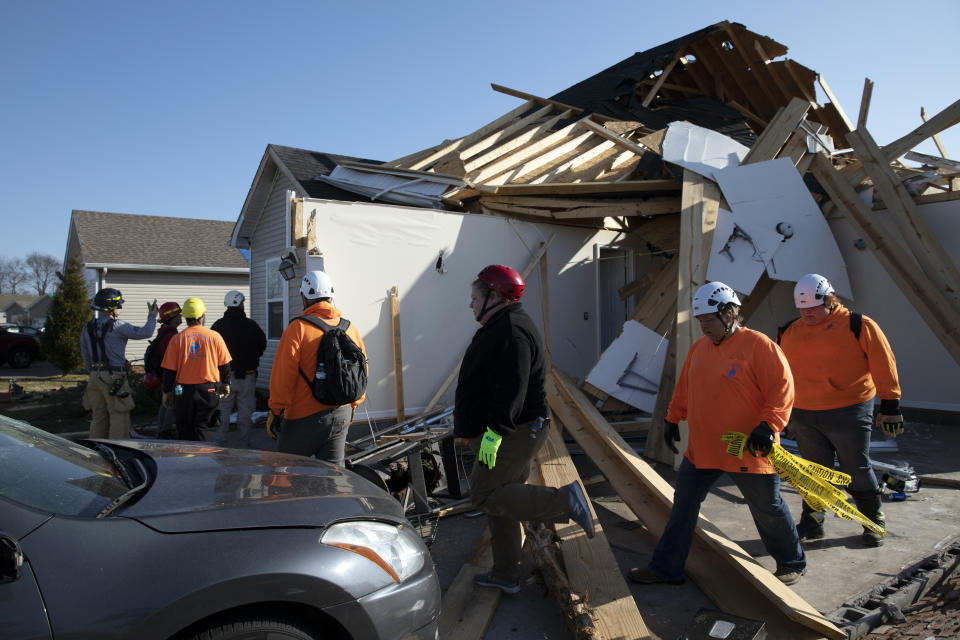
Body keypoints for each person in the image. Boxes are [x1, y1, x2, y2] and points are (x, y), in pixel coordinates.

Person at [628, 282, 806, 587]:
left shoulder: (759, 345)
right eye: (700, 322)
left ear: (729, 313)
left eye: (709, 320)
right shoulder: (700, 349)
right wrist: (672, 419)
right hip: (704, 449)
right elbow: (685, 387)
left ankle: (792, 562)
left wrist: (769, 425)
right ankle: (666, 568)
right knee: (682, 508)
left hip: (748, 447)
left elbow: (782, 388)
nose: (704, 328)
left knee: (767, 508)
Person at [455, 264, 595, 596]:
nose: (470, 304)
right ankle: (506, 573)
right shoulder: (500, 325)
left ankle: (566, 502)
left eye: (474, 298)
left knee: (484, 494)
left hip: (511, 433)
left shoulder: (512, 332)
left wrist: (491, 435)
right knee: (501, 498)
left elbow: (510, 393)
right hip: (507, 431)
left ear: (494, 296)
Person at [778, 273, 902, 547]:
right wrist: (781, 411)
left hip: (849, 410)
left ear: (830, 300)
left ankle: (873, 521)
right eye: (802, 308)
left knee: (855, 468)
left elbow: (884, 363)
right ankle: (813, 522)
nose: (807, 313)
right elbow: (780, 374)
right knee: (813, 470)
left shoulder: (858, 325)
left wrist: (890, 404)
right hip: (804, 413)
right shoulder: (789, 331)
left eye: (813, 307)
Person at [267, 270, 367, 466]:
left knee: (286, 476)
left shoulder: (298, 330)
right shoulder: (349, 328)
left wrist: (275, 410)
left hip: (303, 417)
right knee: (333, 477)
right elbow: (362, 370)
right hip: (342, 413)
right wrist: (354, 404)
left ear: (304, 297)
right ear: (331, 297)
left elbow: (283, 377)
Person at [80, 288, 158, 439]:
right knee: (119, 414)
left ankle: (97, 448)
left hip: (95, 378)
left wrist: (93, 372)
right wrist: (152, 316)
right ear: (112, 308)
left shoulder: (86, 328)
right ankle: (119, 449)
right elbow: (145, 333)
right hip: (114, 376)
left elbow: (86, 356)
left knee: (98, 416)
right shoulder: (118, 326)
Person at [159, 297, 232, 441]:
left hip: (183, 391)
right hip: (208, 390)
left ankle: (186, 461)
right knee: (205, 429)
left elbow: (169, 370)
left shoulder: (177, 339)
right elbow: (224, 365)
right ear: (202, 316)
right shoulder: (214, 337)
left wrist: (166, 391)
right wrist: (225, 383)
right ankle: (202, 460)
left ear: (185, 318)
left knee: (184, 429)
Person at [210, 290, 267, 445]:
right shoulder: (251, 326)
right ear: (240, 304)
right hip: (247, 377)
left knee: (222, 410)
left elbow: (210, 350)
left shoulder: (217, 326)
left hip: (223, 378)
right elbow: (262, 345)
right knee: (245, 412)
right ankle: (244, 446)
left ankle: (218, 443)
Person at [149, 302, 183, 439]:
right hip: (173, 377)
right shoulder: (171, 337)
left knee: (166, 404)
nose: (181, 317)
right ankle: (165, 433)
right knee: (172, 405)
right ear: (173, 317)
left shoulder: (164, 334)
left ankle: (162, 431)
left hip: (165, 376)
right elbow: (174, 360)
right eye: (178, 314)